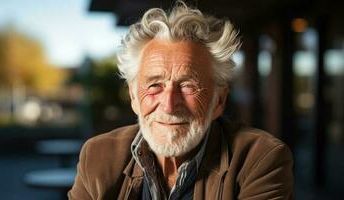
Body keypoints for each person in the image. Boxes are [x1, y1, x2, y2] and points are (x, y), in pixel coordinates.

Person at [68, 2, 293, 199]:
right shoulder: (97, 156)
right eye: (155, 85)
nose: (169, 105)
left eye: (188, 86)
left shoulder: (260, 159)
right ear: (134, 97)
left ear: (219, 100)